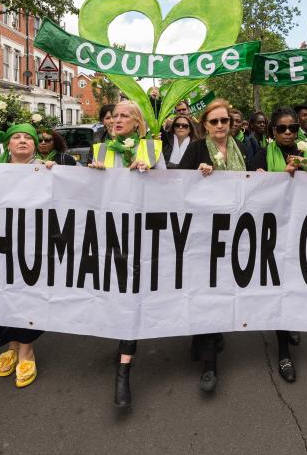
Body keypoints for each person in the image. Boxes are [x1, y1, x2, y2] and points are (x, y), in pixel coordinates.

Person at [88, 100, 165, 408]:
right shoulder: (101, 151)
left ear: (137, 123)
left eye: (124, 116)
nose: (116, 120)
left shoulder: (152, 150)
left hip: (143, 238)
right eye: (114, 116)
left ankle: (123, 371)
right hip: (111, 238)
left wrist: (150, 174)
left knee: (132, 298)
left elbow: (171, 193)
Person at [0, 123, 56, 389]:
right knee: (2, 293)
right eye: (16, 137)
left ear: (35, 145)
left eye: (27, 138)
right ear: (7, 144)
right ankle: (12, 345)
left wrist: (56, 175)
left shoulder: (46, 169)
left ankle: (26, 350)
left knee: (27, 292)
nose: (21, 141)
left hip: (32, 244)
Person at [178, 99, 247, 393]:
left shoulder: (240, 149)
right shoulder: (196, 149)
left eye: (225, 121)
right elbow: (176, 183)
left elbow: (254, 178)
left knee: (221, 289)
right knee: (205, 291)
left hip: (232, 233)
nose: (220, 126)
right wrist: (196, 174)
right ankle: (209, 365)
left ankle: (206, 335)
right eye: (214, 122)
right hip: (202, 234)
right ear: (204, 126)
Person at [251, 107, 307, 383]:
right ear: (272, 131)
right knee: (279, 288)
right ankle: (283, 352)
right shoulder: (262, 155)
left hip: (302, 231)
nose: (288, 133)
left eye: (293, 128)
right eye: (281, 128)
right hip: (274, 234)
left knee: (296, 285)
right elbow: (251, 191)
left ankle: (290, 324)